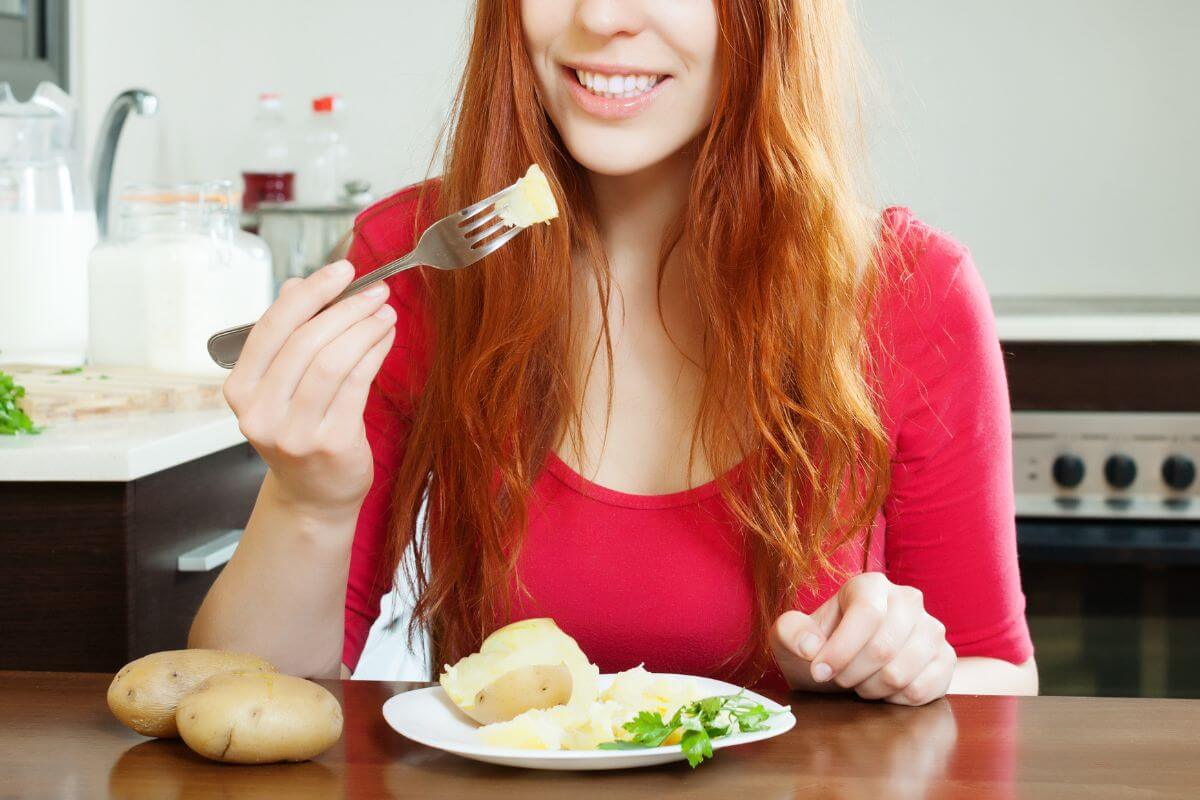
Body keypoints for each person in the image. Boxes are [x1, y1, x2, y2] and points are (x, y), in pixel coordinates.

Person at [191, 0, 1038, 705]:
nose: (600, 17)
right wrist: (307, 503)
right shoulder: (418, 262)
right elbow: (251, 695)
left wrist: (903, 668)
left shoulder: (910, 293)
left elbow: (1001, 679)